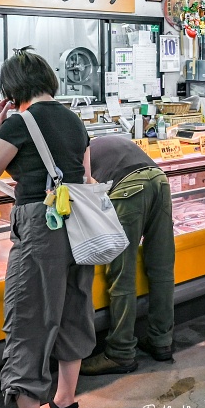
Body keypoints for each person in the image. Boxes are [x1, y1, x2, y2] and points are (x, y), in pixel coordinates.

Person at [0, 49, 94, 408]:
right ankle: (63, 404)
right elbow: (87, 174)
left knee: (27, 316)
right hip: (79, 224)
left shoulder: (19, 122)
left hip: (41, 226)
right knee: (72, 309)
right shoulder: (74, 120)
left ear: (11, 89)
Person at [80, 135, 175, 375]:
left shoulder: (76, 152)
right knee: (161, 267)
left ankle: (120, 352)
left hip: (128, 189)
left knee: (122, 272)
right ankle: (161, 340)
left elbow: (85, 188)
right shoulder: (108, 142)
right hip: (159, 179)